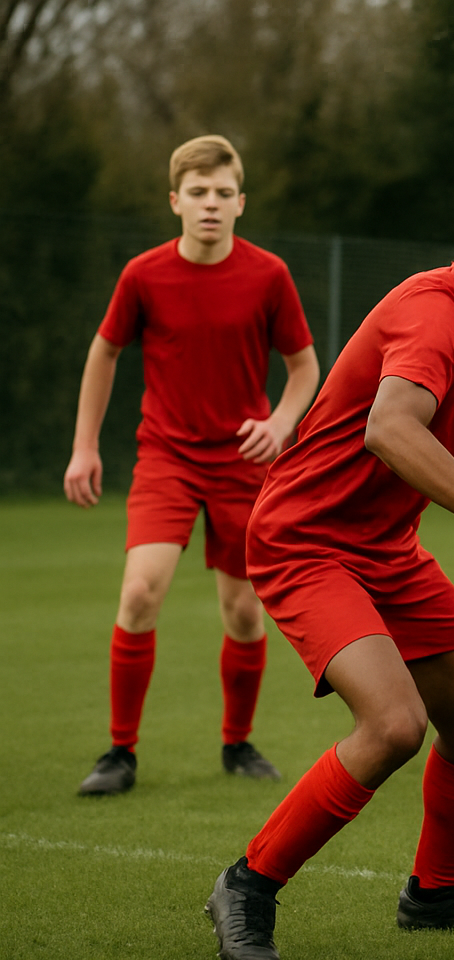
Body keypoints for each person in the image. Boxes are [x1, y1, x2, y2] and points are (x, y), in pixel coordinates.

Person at [203, 147, 454, 960]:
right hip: (306, 541)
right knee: (392, 726)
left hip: (385, 550)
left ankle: (438, 893)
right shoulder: (433, 312)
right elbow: (391, 430)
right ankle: (247, 885)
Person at [66, 135, 320, 796]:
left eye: (223, 193)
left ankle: (237, 744)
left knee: (244, 612)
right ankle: (120, 752)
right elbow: (103, 352)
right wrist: (85, 446)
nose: (211, 203)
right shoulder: (143, 274)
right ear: (176, 201)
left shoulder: (269, 275)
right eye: (198, 193)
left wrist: (280, 423)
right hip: (166, 457)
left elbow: (303, 366)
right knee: (140, 593)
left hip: (242, 463)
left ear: (241, 203)